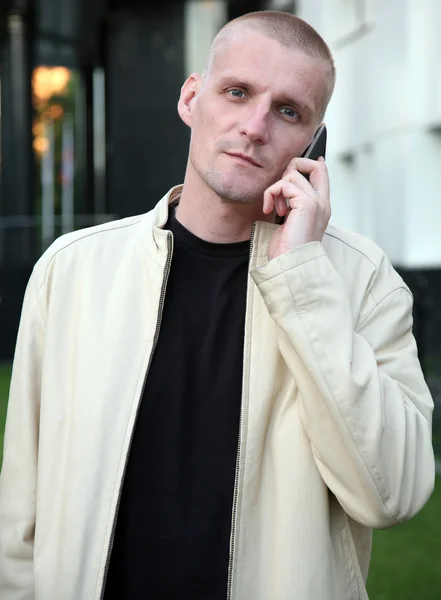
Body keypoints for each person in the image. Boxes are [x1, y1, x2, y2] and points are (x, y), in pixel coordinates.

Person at [0, 10, 435, 600]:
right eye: (237, 92)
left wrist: (301, 276)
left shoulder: (362, 284)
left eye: (288, 111)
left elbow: (395, 492)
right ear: (191, 98)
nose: (255, 126)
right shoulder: (71, 270)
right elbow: (20, 517)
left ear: (313, 144)